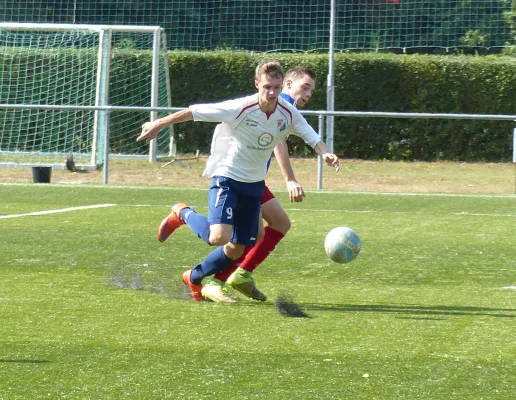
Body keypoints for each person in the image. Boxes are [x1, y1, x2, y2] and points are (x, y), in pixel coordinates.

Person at [138, 61, 339, 302]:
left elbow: (312, 136)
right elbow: (195, 111)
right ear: (257, 85)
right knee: (219, 237)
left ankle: (194, 277)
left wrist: (325, 152)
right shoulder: (241, 107)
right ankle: (183, 213)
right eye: (267, 87)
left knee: (238, 247)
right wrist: (159, 123)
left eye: (276, 87)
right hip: (228, 178)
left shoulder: (288, 111)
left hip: (254, 186)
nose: (272, 93)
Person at [199, 66, 318, 303]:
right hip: (238, 176)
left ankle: (238, 275)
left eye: (311, 90)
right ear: (288, 84)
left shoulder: (282, 106)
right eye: (304, 87)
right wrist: (290, 179)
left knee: (268, 227)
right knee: (242, 232)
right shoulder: (283, 105)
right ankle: (220, 277)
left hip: (252, 179)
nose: (307, 94)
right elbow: (279, 144)